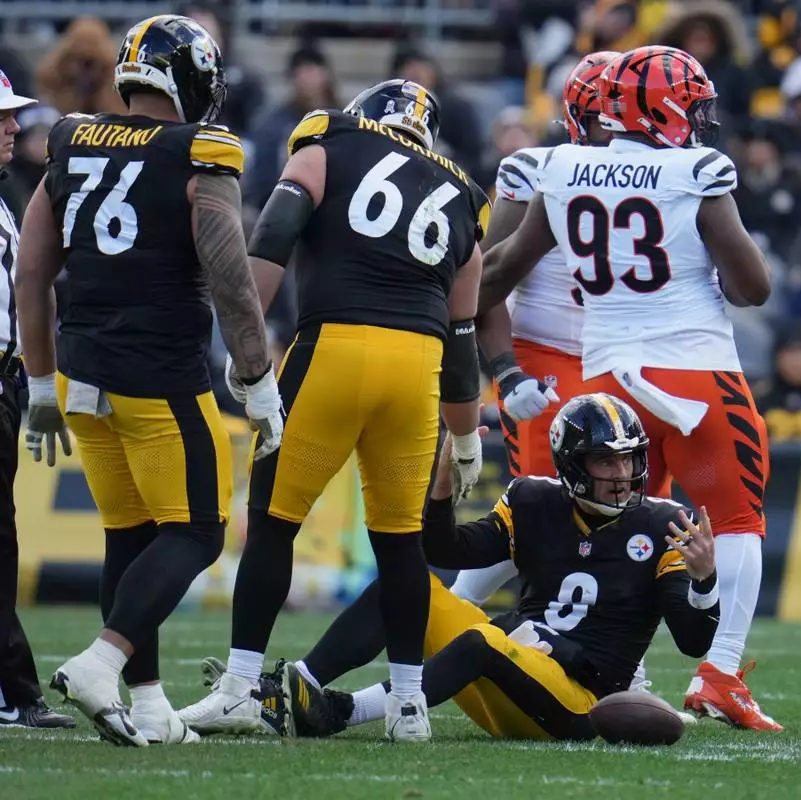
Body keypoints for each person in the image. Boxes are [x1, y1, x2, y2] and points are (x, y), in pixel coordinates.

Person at [178, 79, 490, 744]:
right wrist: (466, 439)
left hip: (334, 350)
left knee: (274, 523)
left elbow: (273, 236)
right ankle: (409, 705)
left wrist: (246, 341)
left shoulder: (329, 139)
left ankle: (239, 690)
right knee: (400, 542)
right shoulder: (464, 193)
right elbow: (463, 336)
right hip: (418, 369)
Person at [480, 45, 779, 731]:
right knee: (734, 520)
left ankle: (605, 666)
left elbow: (497, 272)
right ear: (669, 110)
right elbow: (753, 288)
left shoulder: (561, 167)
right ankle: (719, 674)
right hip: (695, 372)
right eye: (693, 106)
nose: (701, 119)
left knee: (622, 525)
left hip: (606, 376)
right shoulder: (697, 170)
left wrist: (477, 346)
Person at [15, 15, 284, 747]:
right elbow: (231, 280)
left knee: (129, 537)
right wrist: (259, 380)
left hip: (80, 375)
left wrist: (40, 384)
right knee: (196, 531)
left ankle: (151, 707)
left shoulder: (71, 138)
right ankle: (102, 662)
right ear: (193, 81)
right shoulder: (199, 150)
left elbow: (32, 274)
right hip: (159, 375)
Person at [204, 393, 720, 741]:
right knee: (406, 586)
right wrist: (441, 491)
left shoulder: (662, 524)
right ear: (572, 463)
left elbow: (693, 641)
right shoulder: (534, 500)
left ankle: (342, 712)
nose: (623, 473)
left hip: (579, 701)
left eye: (629, 459)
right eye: (606, 460)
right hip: (509, 670)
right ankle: (294, 689)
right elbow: (447, 550)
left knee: (485, 639)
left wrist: (703, 582)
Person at [451, 50, 616, 608]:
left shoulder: (667, 173)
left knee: (628, 503)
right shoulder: (536, 168)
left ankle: (611, 643)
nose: (624, 128)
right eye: (611, 115)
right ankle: (455, 613)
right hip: (549, 351)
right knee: (545, 503)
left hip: (629, 358)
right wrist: (507, 371)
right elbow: (485, 280)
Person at [0, 68, 74, 731]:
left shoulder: (6, 198)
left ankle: (12, 689)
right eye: (0, 117)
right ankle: (13, 690)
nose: (14, 127)